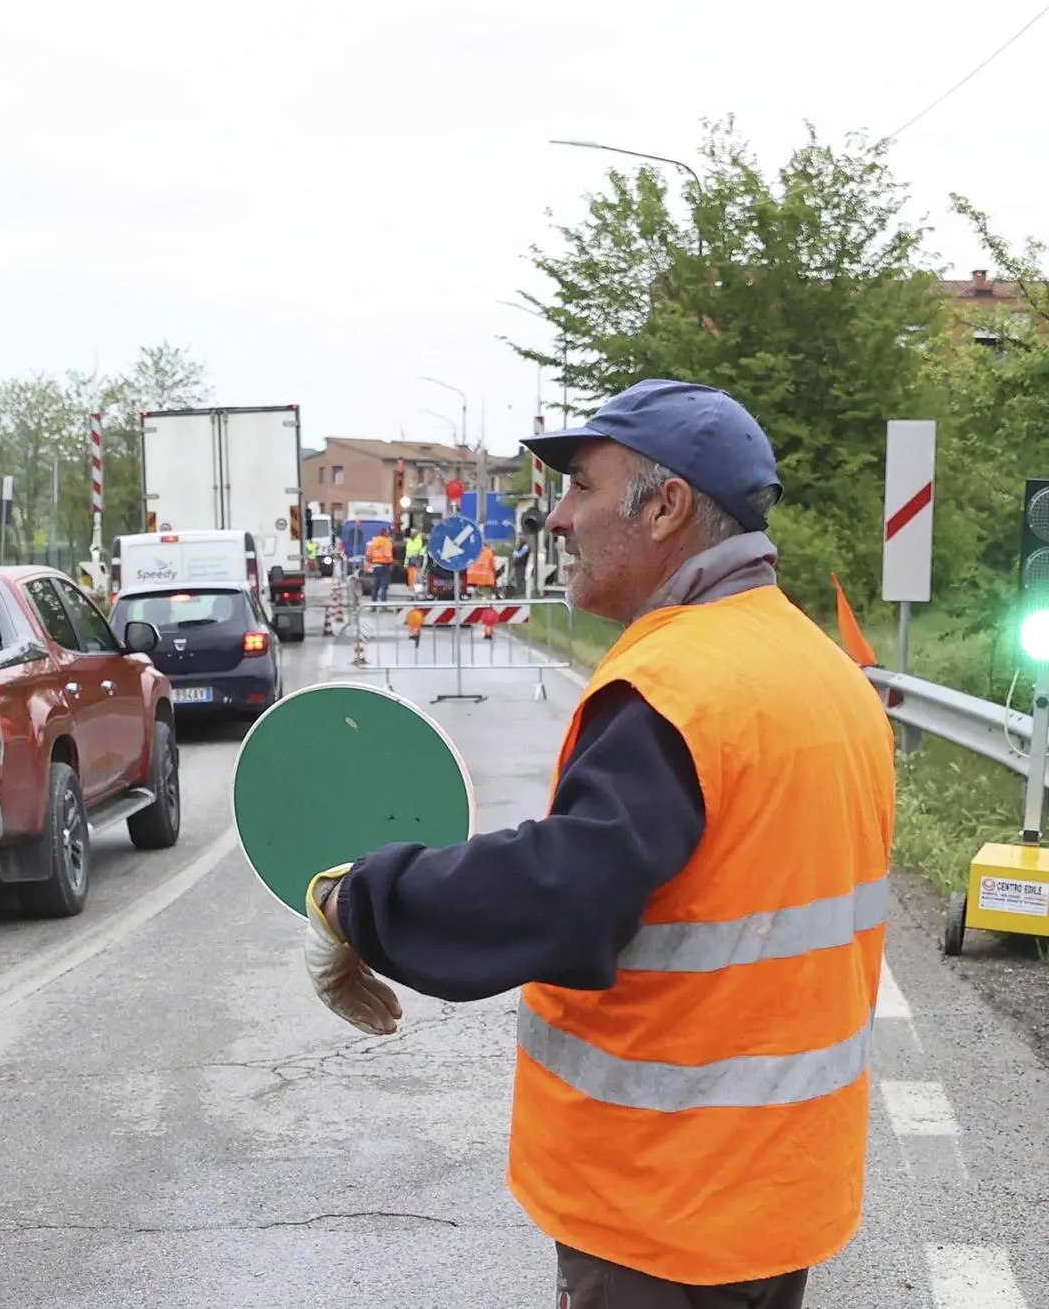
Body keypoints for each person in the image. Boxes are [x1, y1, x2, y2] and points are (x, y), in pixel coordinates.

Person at [303, 379, 896, 1309]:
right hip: (778, 1192)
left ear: (666, 507)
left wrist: (356, 901)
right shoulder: (822, 671)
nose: (557, 520)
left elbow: (561, 888)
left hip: (664, 1207)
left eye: (580, 486)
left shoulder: (680, 685)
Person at [365, 526, 394, 603]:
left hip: (376, 565)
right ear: (384, 533)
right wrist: (392, 561)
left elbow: (368, 553)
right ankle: (383, 604)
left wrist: (371, 561)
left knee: (376, 586)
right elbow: (387, 554)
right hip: (385, 565)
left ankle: (373, 604)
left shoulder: (374, 541)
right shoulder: (387, 541)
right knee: (384, 586)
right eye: (387, 532)